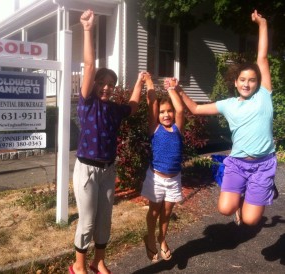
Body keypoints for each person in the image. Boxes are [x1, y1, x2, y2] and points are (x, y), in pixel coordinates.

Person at [178, 10, 277, 226]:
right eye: (242, 79)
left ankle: (260, 190)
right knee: (225, 209)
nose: (247, 84)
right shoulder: (228, 104)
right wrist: (179, 91)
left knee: (251, 221)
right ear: (235, 82)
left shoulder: (264, 95)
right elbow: (195, 109)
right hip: (238, 163)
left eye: (252, 80)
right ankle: (241, 196)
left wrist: (262, 24)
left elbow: (262, 56)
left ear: (258, 83)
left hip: (263, 164)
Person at [69, 10, 144, 274]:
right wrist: (88, 29)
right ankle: (78, 266)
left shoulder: (113, 108)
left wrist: (138, 82)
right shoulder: (87, 104)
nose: (106, 87)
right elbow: (89, 66)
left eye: (110, 84)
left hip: (107, 170)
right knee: (87, 221)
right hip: (87, 170)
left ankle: (98, 261)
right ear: (94, 84)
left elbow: (133, 107)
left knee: (104, 222)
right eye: (102, 82)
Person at [141, 73, 185, 262]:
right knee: (154, 211)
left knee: (167, 212)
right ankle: (150, 237)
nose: (166, 114)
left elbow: (181, 109)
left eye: (169, 111)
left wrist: (171, 89)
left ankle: (162, 238)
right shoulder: (155, 128)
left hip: (174, 179)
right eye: (162, 112)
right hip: (157, 178)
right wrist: (149, 82)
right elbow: (152, 104)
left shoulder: (177, 129)